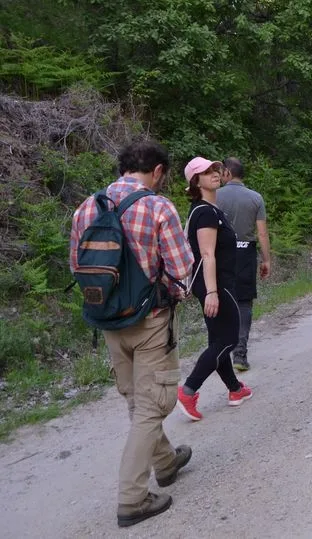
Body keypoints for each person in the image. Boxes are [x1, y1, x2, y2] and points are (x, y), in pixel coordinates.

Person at [69, 141, 193, 527]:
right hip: (151, 318)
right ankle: (132, 498)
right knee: (153, 403)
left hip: (107, 317)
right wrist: (178, 294)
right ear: (157, 171)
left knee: (135, 398)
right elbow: (181, 268)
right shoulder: (158, 206)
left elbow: (77, 262)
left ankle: (166, 461)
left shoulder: (87, 207)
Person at [177, 157, 253, 422]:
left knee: (217, 340)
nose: (214, 174)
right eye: (205, 172)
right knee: (229, 340)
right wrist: (212, 293)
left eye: (215, 169)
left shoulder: (209, 209)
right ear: (195, 181)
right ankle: (188, 390)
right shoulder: (206, 212)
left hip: (216, 283)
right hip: (217, 284)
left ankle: (234, 389)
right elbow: (207, 255)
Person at [215, 157, 272, 372]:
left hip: (220, 253)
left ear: (228, 173)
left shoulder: (214, 196)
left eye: (221, 172)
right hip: (245, 252)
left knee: (220, 299)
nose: (219, 176)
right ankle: (240, 353)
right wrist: (266, 260)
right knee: (244, 302)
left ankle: (218, 352)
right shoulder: (255, 198)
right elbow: (262, 233)